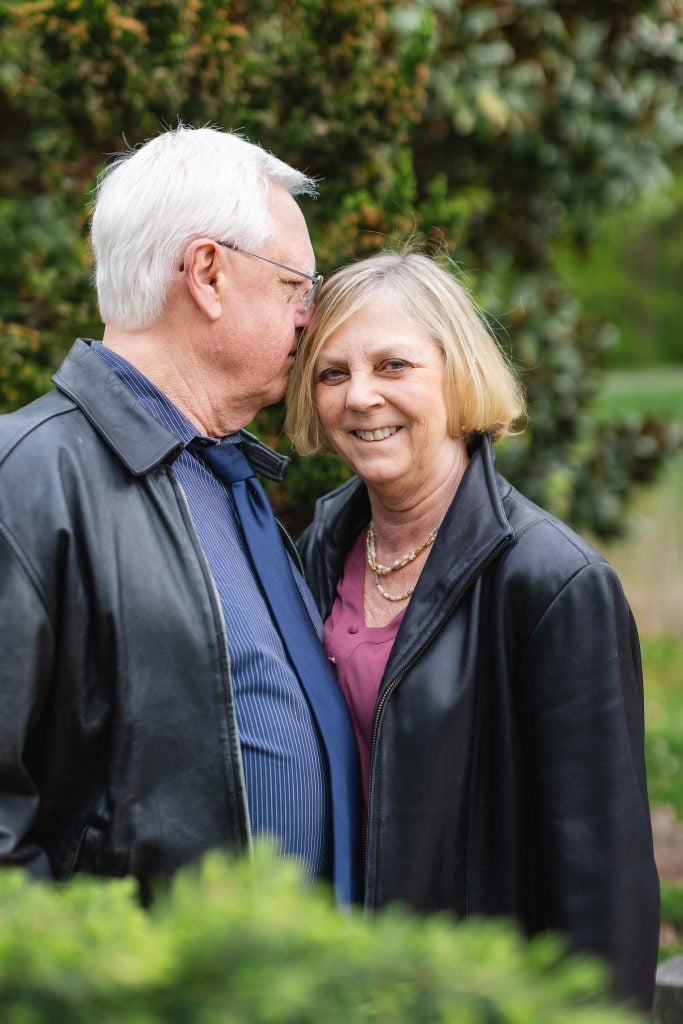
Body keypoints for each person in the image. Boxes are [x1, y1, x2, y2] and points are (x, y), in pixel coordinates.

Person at [286, 250, 660, 1008]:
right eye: (332, 373)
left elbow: (603, 880)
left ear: (457, 374)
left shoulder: (553, 583)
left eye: (394, 366)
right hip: (335, 981)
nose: (360, 397)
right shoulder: (319, 547)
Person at [0, 125, 360, 905]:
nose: (311, 315)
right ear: (206, 273)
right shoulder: (24, 479)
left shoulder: (226, 471)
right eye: (296, 286)